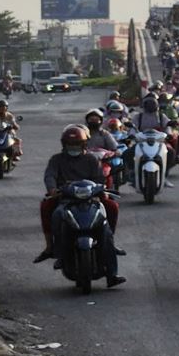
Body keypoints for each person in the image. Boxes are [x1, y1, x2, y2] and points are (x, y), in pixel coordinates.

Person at [36, 123, 124, 287]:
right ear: (64, 145)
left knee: (111, 209)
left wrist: (100, 189)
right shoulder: (57, 160)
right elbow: (50, 176)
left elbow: (99, 178)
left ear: (84, 144)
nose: (73, 147)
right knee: (51, 211)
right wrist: (53, 189)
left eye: (76, 144)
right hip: (66, 199)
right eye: (70, 145)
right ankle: (55, 249)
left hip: (91, 198)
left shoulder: (91, 159)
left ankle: (112, 272)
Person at [0, 98, 22, 162]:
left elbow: (15, 125)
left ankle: (14, 155)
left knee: (17, 140)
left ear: (6, 108)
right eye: (0, 107)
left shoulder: (10, 116)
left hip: (7, 133)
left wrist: (14, 126)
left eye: (3, 107)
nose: (2, 109)